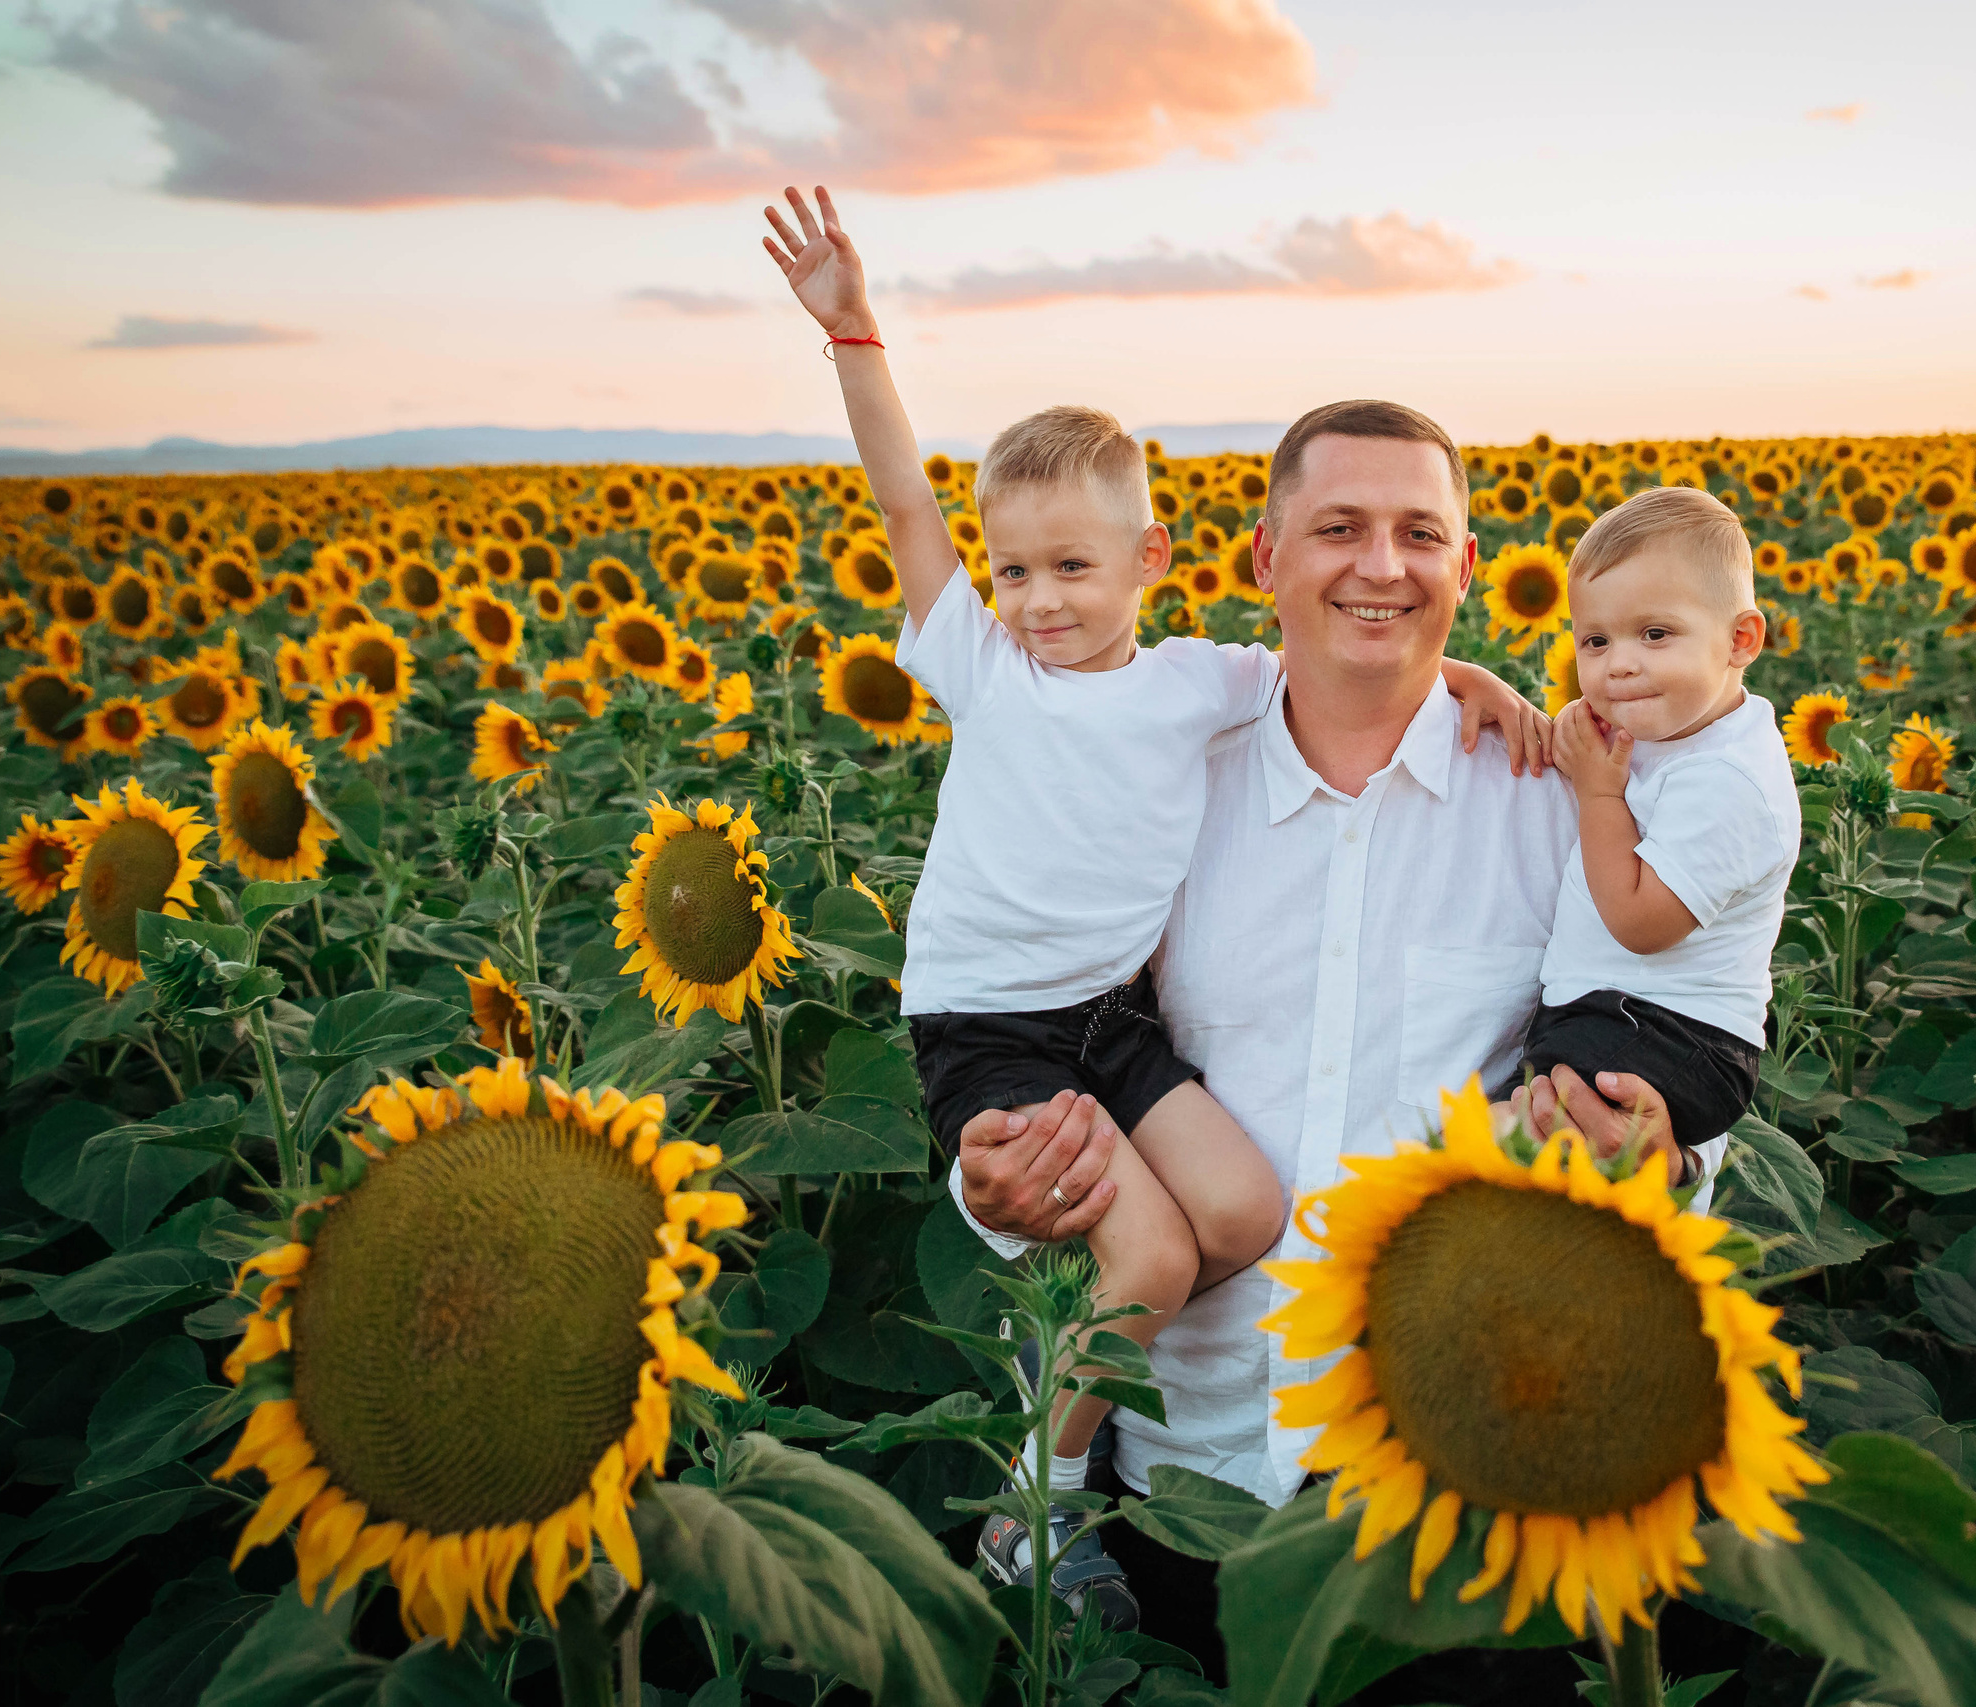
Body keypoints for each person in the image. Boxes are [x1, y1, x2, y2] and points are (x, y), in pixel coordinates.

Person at [758, 188, 1552, 1629]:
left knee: (1238, 1206)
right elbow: (903, 506)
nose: (1039, 599)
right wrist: (855, 336)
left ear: (1158, 561)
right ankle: (1036, 1511)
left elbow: (1365, 658)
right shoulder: (988, 670)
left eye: (1071, 566)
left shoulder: (1213, 687)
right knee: (1158, 1252)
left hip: (1120, 1038)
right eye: (1016, 570)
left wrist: (1481, 681)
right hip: (993, 1025)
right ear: (1264, 557)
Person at [951, 399, 1731, 1678]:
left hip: (1459, 1479)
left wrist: (1666, 1153)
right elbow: (1036, 1026)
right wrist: (997, 1184)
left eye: (1419, 533)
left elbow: (1674, 1034)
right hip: (1185, 1474)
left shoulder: (1564, 807)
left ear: (1465, 569)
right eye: (1338, 529)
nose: (1381, 566)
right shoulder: (1151, 786)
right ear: (1264, 559)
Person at [1508, 486, 1797, 1166]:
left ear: (1740, 639)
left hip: (1672, 1037)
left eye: (1655, 634)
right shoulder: (1673, 732)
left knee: (1495, 1140)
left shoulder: (1729, 778)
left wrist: (1599, 792)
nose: (1620, 663)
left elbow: (1642, 924)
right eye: (1595, 640)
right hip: (1622, 1019)